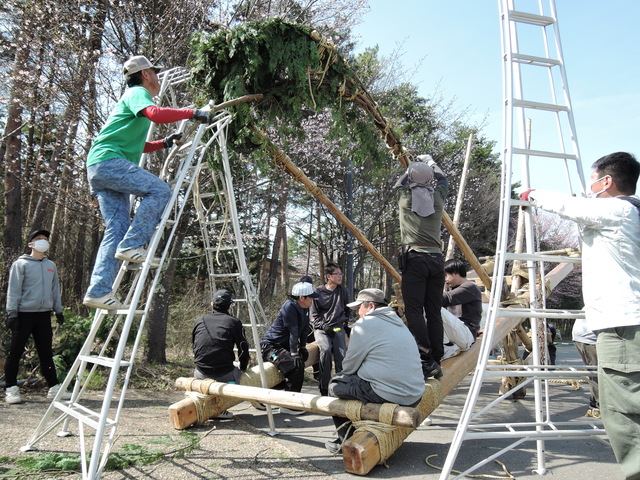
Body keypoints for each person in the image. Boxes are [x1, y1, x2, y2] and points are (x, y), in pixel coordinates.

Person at [522, 151, 640, 479]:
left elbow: (573, 208)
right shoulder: (631, 213)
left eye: (593, 181)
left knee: (623, 411)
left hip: (625, 325)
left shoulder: (616, 209)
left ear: (607, 181)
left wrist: (531, 194)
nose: (589, 189)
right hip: (620, 319)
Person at [83, 55, 214, 310]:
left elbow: (136, 145)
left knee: (116, 228)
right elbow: (154, 114)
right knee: (159, 190)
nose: (156, 77)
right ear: (145, 74)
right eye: (153, 72)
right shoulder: (136, 93)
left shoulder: (131, 101)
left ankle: (98, 291)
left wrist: (163, 143)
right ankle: (133, 245)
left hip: (99, 166)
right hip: (109, 162)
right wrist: (193, 113)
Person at [325, 288, 424, 454]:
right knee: (356, 382)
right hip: (415, 393)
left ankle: (344, 440)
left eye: (359, 309)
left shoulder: (365, 324)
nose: (358, 314)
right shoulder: (398, 322)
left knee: (335, 385)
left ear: (370, 306)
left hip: (391, 394)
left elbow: (349, 367)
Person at [395, 155, 449, 380]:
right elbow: (443, 179)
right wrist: (431, 162)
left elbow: (398, 184)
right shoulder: (437, 197)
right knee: (434, 310)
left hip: (415, 258)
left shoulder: (405, 197)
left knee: (414, 310)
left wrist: (409, 169)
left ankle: (425, 358)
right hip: (437, 260)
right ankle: (437, 355)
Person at [4, 230, 71, 404]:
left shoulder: (51, 265)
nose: (43, 242)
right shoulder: (21, 264)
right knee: (15, 353)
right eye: (39, 239)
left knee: (46, 353)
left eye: (46, 239)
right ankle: (11, 388)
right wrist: (12, 313)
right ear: (31, 244)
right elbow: (14, 290)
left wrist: (58, 310)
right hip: (23, 315)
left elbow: (55, 289)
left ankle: (53, 387)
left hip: (44, 316)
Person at [260, 282, 319, 415]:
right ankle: (288, 404)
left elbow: (304, 330)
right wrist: (294, 353)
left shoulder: (304, 307)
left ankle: (275, 397)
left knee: (297, 365)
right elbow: (293, 331)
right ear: (302, 297)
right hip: (270, 347)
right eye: (311, 297)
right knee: (295, 366)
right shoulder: (290, 306)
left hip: (283, 345)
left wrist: (302, 347)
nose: (313, 300)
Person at [192, 289, 250, 419]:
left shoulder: (199, 321)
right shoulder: (234, 322)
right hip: (224, 373)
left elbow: (195, 347)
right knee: (238, 375)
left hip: (200, 373)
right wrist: (243, 368)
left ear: (212, 304)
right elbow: (243, 348)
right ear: (230, 306)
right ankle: (221, 408)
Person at [310, 263, 350, 396]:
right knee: (326, 350)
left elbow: (347, 310)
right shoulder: (317, 292)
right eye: (337, 274)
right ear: (329, 276)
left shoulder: (343, 291)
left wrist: (345, 325)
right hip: (321, 328)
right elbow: (313, 316)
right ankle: (324, 386)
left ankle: (340, 386)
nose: (340, 276)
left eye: (341, 274)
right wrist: (323, 326)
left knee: (341, 353)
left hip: (337, 327)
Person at [442, 258, 483, 339]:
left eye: (446, 275)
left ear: (456, 273)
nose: (445, 279)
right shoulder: (452, 288)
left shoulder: (470, 287)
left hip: (466, 330)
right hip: (456, 328)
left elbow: (446, 299)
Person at [572, 317, 599, 418]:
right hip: (589, 338)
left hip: (586, 336)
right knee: (597, 373)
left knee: (596, 373)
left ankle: (596, 403)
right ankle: (597, 405)